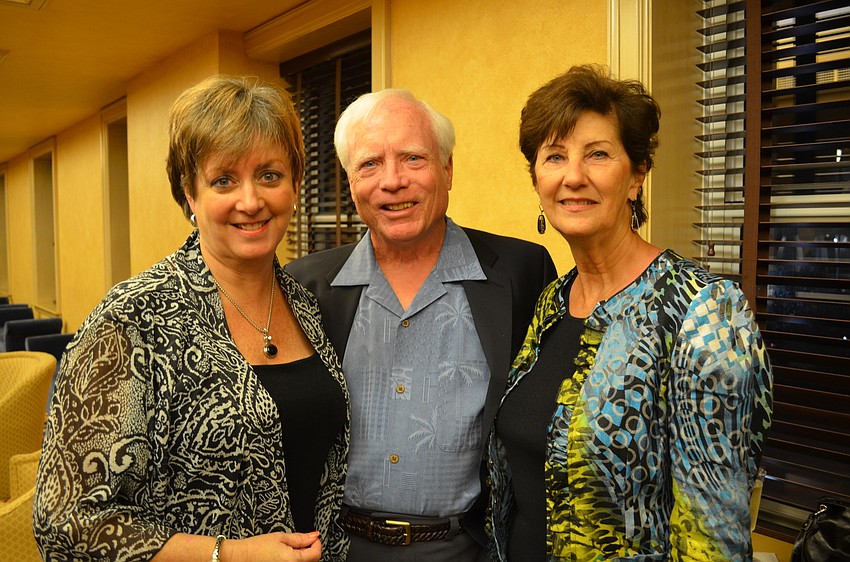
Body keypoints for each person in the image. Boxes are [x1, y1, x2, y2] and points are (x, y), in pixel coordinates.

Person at [33, 75, 350, 562]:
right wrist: (228, 555)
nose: (251, 201)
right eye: (224, 180)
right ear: (189, 194)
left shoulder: (307, 307)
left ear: (295, 184)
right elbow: (66, 521)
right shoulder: (133, 320)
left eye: (269, 175)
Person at [485, 64, 774, 561]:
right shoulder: (551, 303)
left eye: (598, 154)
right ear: (537, 180)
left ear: (637, 176)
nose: (573, 176)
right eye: (555, 156)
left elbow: (713, 539)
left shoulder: (704, 313)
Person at [285, 88, 557, 561]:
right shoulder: (305, 287)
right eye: (370, 164)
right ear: (350, 182)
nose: (392, 181)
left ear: (447, 170)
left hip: (465, 549)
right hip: (334, 550)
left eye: (413, 158)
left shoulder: (521, 273)